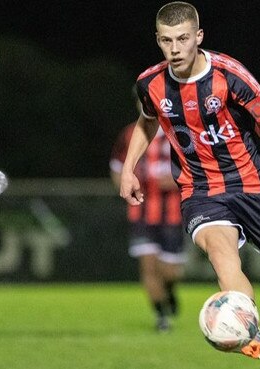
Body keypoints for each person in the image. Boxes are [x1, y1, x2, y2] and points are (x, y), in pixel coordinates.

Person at [120, 2, 260, 367]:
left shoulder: (229, 75)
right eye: (166, 41)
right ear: (158, 41)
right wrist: (130, 167)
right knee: (222, 256)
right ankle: (248, 330)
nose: (175, 49)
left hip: (255, 185)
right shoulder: (151, 83)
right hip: (201, 190)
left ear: (199, 37)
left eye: (182, 39)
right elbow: (148, 121)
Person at [110, 93, 186, 332]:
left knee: (169, 271)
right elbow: (116, 167)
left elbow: (198, 170)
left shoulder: (181, 135)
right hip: (141, 213)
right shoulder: (130, 134)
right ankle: (162, 317)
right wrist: (124, 187)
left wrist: (176, 181)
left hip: (172, 214)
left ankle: (170, 292)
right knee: (148, 266)